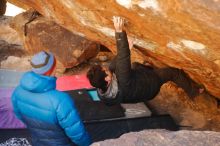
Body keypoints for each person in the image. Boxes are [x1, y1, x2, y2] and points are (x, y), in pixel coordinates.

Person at [87, 16, 203, 105]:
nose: (106, 68)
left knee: (135, 65)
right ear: (107, 79)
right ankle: (194, 92)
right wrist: (119, 32)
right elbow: (122, 59)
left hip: (136, 90)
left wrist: (127, 48)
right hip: (150, 87)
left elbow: (114, 65)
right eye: (105, 71)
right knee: (173, 73)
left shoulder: (102, 91)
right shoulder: (122, 81)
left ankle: (147, 68)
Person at [12, 51, 91, 146]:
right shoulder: (60, 100)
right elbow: (76, 133)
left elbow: (20, 116)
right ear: (51, 69)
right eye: (55, 65)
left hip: (37, 141)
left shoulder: (17, 91)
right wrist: (88, 144)